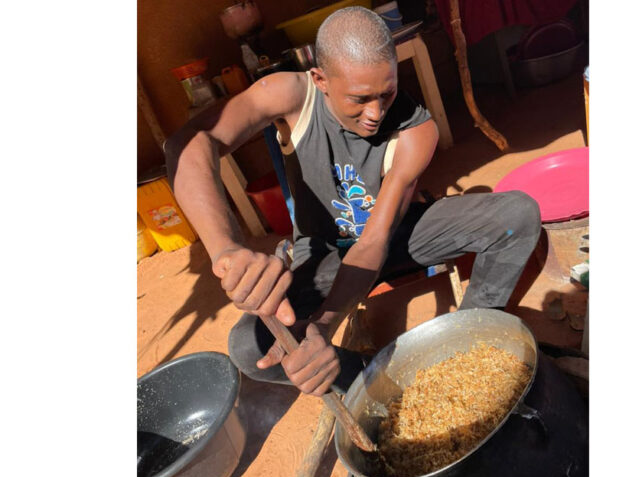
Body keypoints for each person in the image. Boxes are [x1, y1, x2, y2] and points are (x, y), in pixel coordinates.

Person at [164, 7, 541, 398]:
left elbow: (374, 241)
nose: (375, 114)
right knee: (250, 346)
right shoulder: (290, 95)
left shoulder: (417, 128)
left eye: (386, 93)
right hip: (324, 251)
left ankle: (472, 341)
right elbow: (187, 145)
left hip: (393, 234)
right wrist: (226, 247)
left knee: (516, 215)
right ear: (320, 79)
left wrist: (323, 325)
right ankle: (373, 385)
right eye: (359, 100)